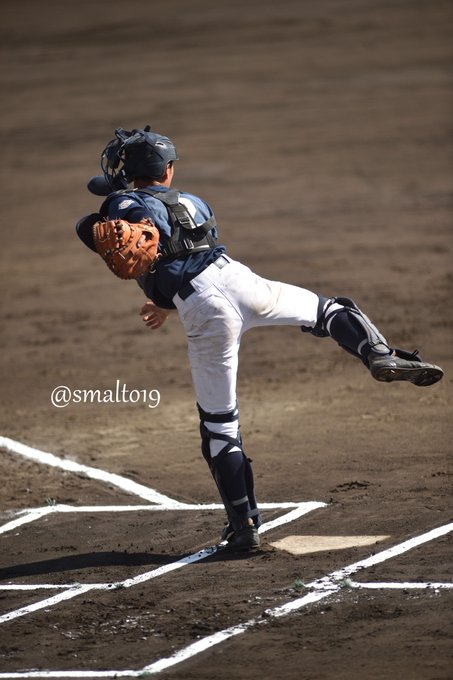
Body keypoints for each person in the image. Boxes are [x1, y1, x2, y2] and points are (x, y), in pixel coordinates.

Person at [76, 126, 444, 551]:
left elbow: (119, 226)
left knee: (219, 427)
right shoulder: (194, 201)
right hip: (241, 281)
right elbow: (186, 256)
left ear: (131, 172)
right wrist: (164, 302)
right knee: (330, 310)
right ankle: (378, 353)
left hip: (206, 312)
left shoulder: (125, 203)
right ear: (169, 170)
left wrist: (115, 213)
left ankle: (245, 527)